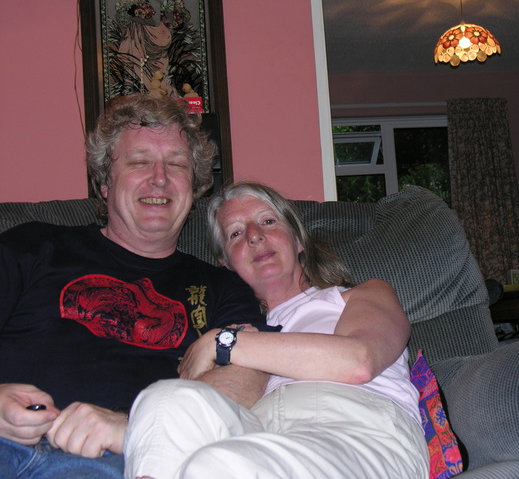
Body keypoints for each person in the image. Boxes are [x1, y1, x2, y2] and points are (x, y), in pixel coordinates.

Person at [0, 94, 268, 478]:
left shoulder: (222, 287)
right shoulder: (32, 246)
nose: (159, 177)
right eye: (139, 162)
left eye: (177, 164)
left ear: (194, 187)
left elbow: (247, 378)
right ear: (105, 183)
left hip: (132, 459)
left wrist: (137, 428)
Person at [123, 182, 430, 479]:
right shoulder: (236, 327)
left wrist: (223, 343)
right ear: (226, 263)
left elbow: (359, 361)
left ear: (297, 240)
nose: (254, 236)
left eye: (268, 221)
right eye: (236, 233)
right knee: (162, 399)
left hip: (355, 430)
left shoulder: (360, 295)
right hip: (257, 433)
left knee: (220, 466)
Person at [115, 0, 187, 97]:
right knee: (155, 71)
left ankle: (141, 93)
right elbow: (168, 17)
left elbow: (154, 22)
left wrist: (132, 18)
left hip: (150, 34)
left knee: (138, 64)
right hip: (160, 32)